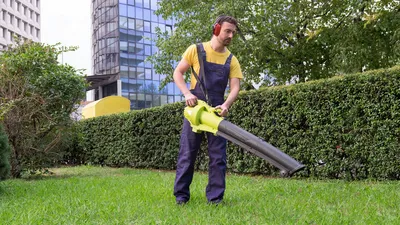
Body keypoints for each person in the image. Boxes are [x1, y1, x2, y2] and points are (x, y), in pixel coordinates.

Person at [173, 15, 243, 205]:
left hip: (217, 111)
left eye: (233, 33)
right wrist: (187, 94)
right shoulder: (195, 50)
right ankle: (181, 196)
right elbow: (178, 72)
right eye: (227, 31)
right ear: (216, 28)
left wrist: (226, 105)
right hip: (195, 109)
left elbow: (235, 87)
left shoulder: (231, 59)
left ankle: (215, 198)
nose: (230, 35)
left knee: (218, 157)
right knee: (187, 153)